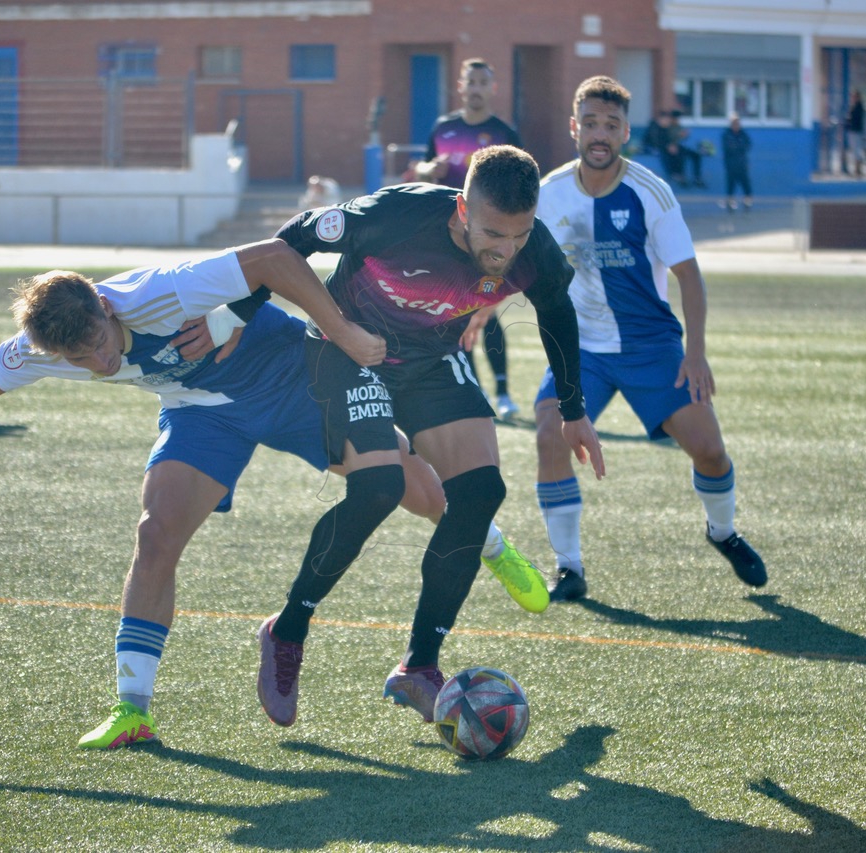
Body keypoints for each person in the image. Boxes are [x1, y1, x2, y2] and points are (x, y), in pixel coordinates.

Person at [0, 240, 545, 749]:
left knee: (408, 485)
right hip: (203, 412)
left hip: (293, 375)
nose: (99, 359)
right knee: (155, 533)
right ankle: (132, 707)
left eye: (101, 340)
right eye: (81, 357)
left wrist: (340, 332)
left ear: (106, 304)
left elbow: (275, 259)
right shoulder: (54, 344)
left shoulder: (159, 292)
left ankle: (490, 544)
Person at [261, 145, 604, 726]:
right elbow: (286, 244)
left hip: (428, 359)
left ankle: (419, 667)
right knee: (377, 489)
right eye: (493, 232)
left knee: (479, 493)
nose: (505, 250)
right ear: (461, 210)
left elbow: (556, 311)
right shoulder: (397, 214)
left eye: (518, 236)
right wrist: (237, 319)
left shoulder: (533, 250)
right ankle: (287, 629)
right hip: (348, 352)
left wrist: (574, 410)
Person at [532, 75, 766, 603]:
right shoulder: (548, 195)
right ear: (574, 127)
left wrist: (696, 353)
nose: (599, 134)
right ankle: (569, 567)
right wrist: (479, 310)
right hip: (582, 349)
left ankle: (723, 533)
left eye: (610, 125)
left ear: (625, 133)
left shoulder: (649, 192)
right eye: (590, 123)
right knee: (549, 433)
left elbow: (689, 275)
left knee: (708, 451)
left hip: (650, 345)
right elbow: (518, 262)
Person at [413, 58, 523, 419]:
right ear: (460, 86)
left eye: (482, 82)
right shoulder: (443, 128)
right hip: (448, 240)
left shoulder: (504, 132)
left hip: (489, 241)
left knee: (487, 311)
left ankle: (505, 392)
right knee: (456, 315)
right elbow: (423, 170)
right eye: (470, 82)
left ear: (492, 88)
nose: (475, 88)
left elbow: (523, 184)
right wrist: (430, 170)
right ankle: (475, 391)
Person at [720, 114, 753, 212]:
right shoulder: (727, 135)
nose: (736, 125)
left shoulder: (743, 134)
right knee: (731, 185)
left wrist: (737, 147)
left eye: (737, 123)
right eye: (734, 123)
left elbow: (747, 145)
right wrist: (737, 147)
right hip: (731, 165)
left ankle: (747, 204)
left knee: (746, 185)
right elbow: (729, 148)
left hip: (742, 164)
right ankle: (730, 205)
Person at [844, 90, 866, 176]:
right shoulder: (856, 106)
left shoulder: (859, 107)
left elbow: (855, 119)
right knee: (855, 150)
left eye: (854, 96)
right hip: (855, 131)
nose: (853, 98)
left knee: (857, 150)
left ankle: (858, 169)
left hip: (856, 131)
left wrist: (849, 120)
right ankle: (857, 169)